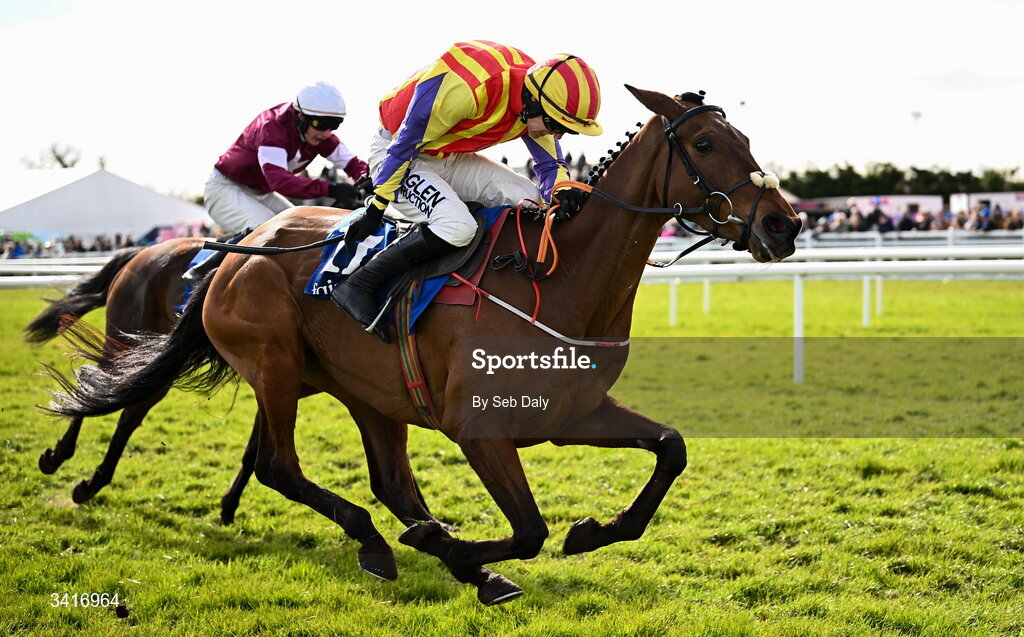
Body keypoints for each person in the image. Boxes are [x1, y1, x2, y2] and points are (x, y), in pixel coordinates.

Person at [330, 40, 603, 339]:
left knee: (532, 201)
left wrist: (562, 192)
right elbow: (405, 142)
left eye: (566, 129)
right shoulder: (468, 90)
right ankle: (359, 284)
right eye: (554, 123)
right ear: (535, 101)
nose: (557, 133)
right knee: (458, 226)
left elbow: (550, 165)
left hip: (449, 155)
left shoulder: (533, 95)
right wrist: (377, 206)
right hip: (397, 151)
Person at [185, 82, 371, 282]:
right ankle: (199, 273)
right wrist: (330, 188)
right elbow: (280, 181)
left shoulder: (320, 135)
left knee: (302, 230)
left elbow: (353, 164)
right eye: (320, 124)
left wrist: (367, 181)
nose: (326, 133)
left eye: (333, 126)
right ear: (300, 116)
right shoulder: (272, 127)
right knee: (266, 233)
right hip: (224, 187)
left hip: (261, 192)